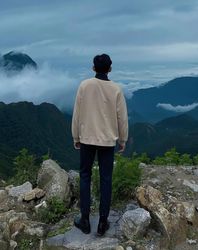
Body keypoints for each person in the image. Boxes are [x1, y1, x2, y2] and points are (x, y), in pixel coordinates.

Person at [71, 53, 128, 236]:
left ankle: (85, 220)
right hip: (107, 140)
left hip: (87, 138)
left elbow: (77, 113)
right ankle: (103, 223)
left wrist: (76, 137)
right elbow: (122, 117)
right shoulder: (116, 89)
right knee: (106, 179)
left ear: (93, 68)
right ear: (110, 68)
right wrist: (123, 139)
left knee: (85, 176)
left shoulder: (84, 86)